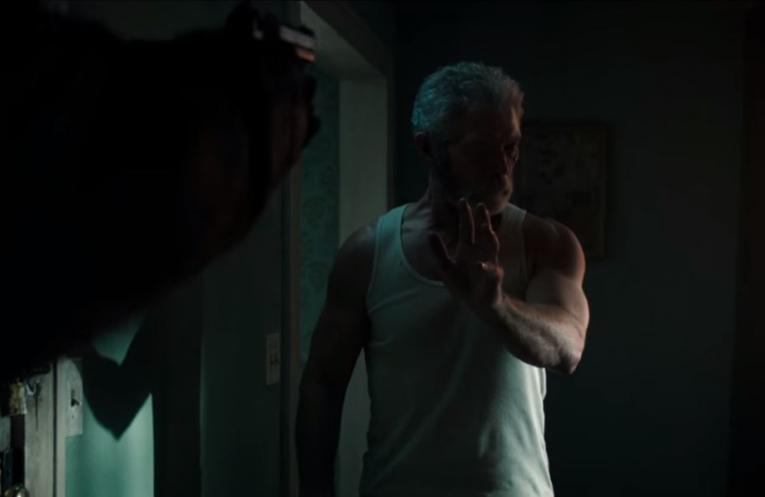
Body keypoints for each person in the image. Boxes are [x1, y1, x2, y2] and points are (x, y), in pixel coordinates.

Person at [296, 61, 590, 497]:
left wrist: (494, 305)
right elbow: (323, 383)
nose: (502, 167)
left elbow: (567, 350)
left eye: (511, 147)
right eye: (482, 150)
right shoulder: (368, 253)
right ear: (427, 146)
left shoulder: (546, 242)